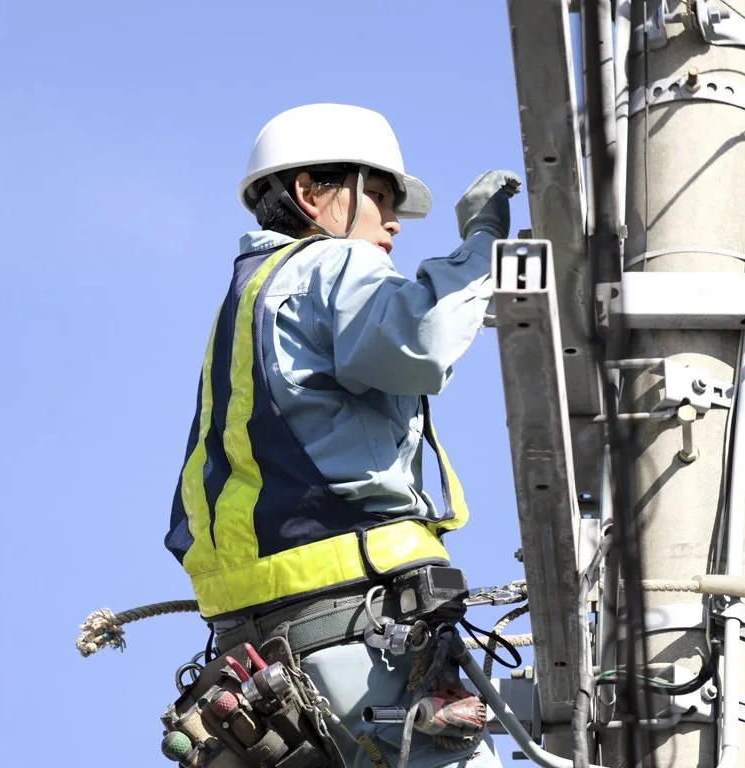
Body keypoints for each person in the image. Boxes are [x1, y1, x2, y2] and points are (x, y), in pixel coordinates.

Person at [164, 103, 520, 768]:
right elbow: (418, 339)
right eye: (378, 197)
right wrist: (484, 246)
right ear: (309, 195)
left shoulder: (249, 298)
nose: (391, 223)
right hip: (360, 640)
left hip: (264, 668)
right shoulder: (327, 267)